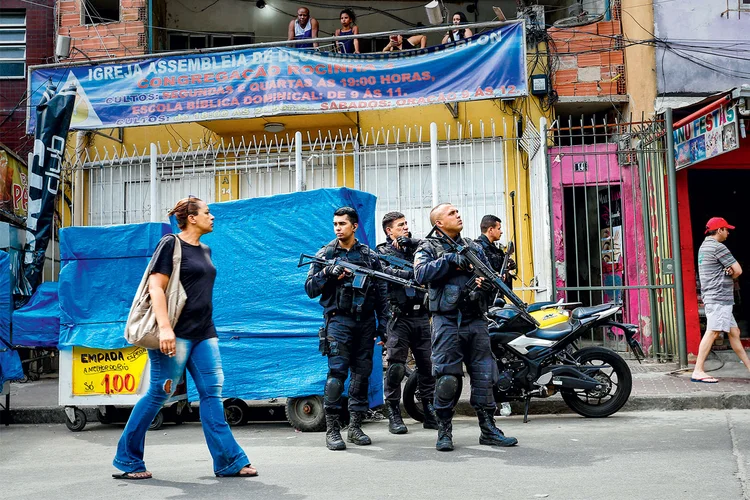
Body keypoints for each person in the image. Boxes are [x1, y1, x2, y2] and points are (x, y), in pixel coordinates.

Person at [113, 197, 257, 479]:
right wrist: (165, 328)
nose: (212, 217)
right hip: (175, 335)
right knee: (159, 393)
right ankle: (127, 459)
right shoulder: (170, 244)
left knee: (212, 393)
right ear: (191, 217)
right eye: (207, 212)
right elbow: (156, 287)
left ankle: (229, 461)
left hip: (204, 333)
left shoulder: (205, 249)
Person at [414, 203, 518, 451]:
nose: (458, 215)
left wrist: (484, 285)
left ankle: (488, 429)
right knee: (447, 378)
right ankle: (444, 432)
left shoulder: (473, 246)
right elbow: (420, 274)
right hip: (447, 321)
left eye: (458, 211)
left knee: (485, 377)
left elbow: (492, 279)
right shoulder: (428, 247)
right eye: (451, 213)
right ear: (438, 223)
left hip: (476, 320)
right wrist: (450, 260)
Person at [305, 207, 389, 451]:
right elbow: (310, 288)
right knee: (337, 374)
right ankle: (332, 429)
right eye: (335, 224)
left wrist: (383, 326)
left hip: (365, 322)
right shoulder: (326, 253)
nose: (338, 228)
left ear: (354, 226)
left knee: (362, 374)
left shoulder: (369, 256)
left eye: (342, 223)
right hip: (339, 321)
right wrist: (327, 273)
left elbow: (382, 293)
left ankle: (355, 427)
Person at [376, 212, 438, 434]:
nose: (405, 228)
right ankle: (393, 410)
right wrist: (413, 273)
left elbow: (434, 247)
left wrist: (411, 242)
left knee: (427, 366)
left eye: (406, 224)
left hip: (421, 315)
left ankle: (429, 408)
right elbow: (384, 272)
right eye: (400, 226)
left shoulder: (416, 249)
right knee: (395, 366)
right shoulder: (381, 252)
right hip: (398, 317)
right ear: (388, 230)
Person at [691, 217, 750, 383]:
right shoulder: (718, 247)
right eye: (726, 229)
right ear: (719, 230)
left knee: (734, 332)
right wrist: (730, 272)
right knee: (713, 331)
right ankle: (698, 370)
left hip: (714, 296)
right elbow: (738, 270)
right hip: (719, 298)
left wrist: (727, 271)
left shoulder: (704, 246)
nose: (728, 232)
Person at [476, 214, 515, 289]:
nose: (501, 232)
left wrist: (508, 267)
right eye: (499, 228)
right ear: (490, 230)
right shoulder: (478, 248)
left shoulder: (496, 250)